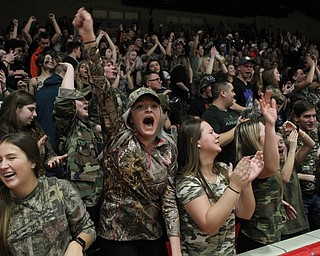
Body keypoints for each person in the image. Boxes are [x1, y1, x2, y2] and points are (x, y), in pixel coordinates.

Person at [73, 8, 181, 256]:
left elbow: (168, 200)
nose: (149, 110)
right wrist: (89, 36)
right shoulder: (118, 134)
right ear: (131, 116)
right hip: (116, 233)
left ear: (161, 114)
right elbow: (101, 87)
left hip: (152, 232)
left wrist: (176, 250)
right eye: (141, 107)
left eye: (154, 106)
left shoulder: (169, 147)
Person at [176, 118, 263, 255]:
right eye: (211, 133)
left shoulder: (222, 170)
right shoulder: (187, 182)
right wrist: (234, 186)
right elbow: (210, 225)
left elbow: (245, 213)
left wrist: (246, 183)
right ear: (196, 141)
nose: (217, 135)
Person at [0, 133, 96, 255]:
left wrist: (77, 244)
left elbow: (87, 228)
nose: (3, 166)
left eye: (11, 158)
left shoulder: (58, 188)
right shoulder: (3, 203)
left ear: (32, 162)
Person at [235, 90, 287, 252]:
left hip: (273, 234)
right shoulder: (252, 162)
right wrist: (271, 125)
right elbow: (271, 167)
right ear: (254, 139)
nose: (269, 133)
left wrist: (278, 201)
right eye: (264, 132)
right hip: (257, 240)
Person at [53, 62, 104, 229]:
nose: (85, 102)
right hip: (80, 199)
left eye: (86, 99)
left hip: (99, 196)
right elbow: (65, 99)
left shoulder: (91, 125)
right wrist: (70, 68)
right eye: (80, 99)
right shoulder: (69, 125)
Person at [0, 90, 67, 177]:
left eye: (35, 110)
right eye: (30, 109)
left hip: (39, 183)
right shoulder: (3, 135)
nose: (35, 114)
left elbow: (49, 154)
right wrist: (34, 153)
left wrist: (51, 162)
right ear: (16, 109)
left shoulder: (35, 129)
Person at [278, 121, 314, 239]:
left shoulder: (291, 160)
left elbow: (310, 144)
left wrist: (297, 130)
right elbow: (285, 178)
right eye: (275, 143)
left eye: (281, 142)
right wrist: (292, 148)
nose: (279, 145)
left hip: (301, 222)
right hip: (283, 228)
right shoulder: (268, 167)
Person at [292, 100, 320, 231]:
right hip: (299, 197)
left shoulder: (316, 133)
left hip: (316, 193)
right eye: (307, 116)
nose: (312, 120)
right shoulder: (288, 137)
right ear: (296, 118)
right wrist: (308, 177)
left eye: (314, 116)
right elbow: (286, 171)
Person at [201, 80, 241, 165]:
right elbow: (216, 141)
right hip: (223, 165)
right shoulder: (210, 115)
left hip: (240, 161)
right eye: (232, 91)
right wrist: (238, 127)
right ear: (223, 93)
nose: (234, 94)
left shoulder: (234, 112)